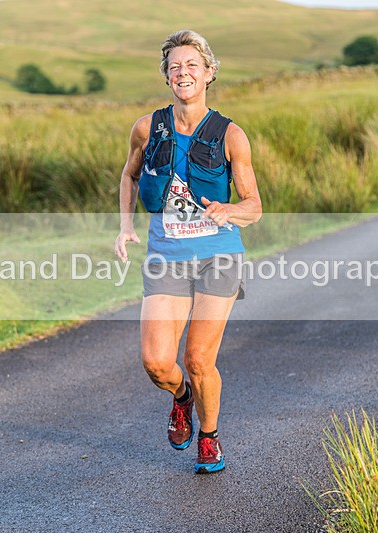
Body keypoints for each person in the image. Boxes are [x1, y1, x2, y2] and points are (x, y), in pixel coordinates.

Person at [115, 29, 262, 474]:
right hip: (166, 256)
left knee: (199, 358)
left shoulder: (231, 134)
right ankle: (181, 398)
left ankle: (210, 437)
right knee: (158, 363)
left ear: (209, 73)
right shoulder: (147, 127)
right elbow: (129, 177)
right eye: (175, 66)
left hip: (218, 254)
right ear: (166, 76)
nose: (183, 73)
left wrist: (230, 209)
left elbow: (254, 206)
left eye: (192, 65)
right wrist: (125, 227)